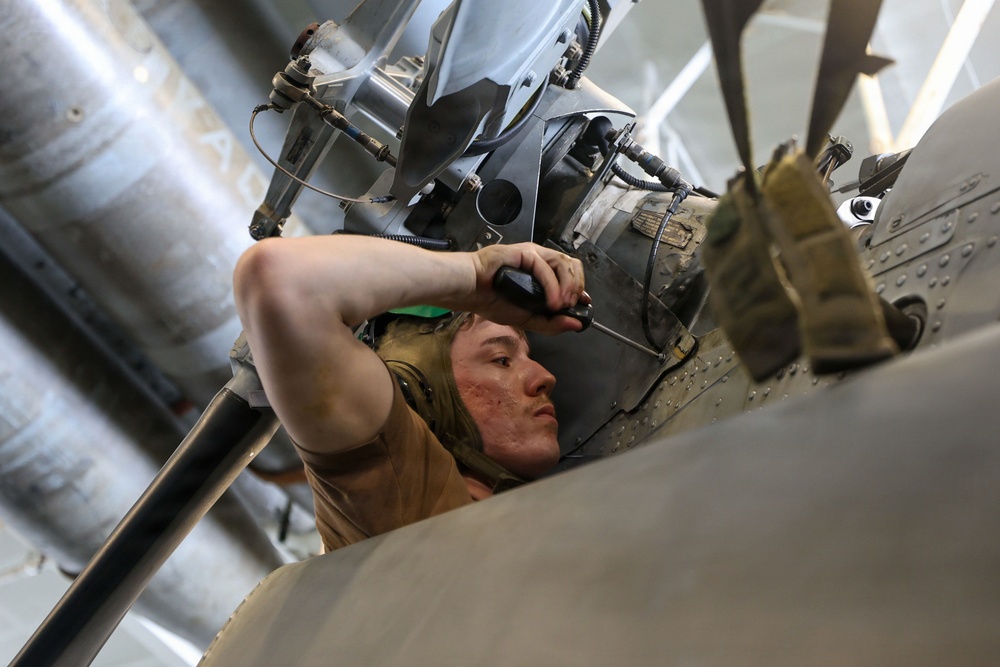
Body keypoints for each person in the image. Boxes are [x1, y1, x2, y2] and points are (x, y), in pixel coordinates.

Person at [233, 235, 587, 551]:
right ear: (416, 392)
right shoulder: (402, 495)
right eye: (501, 360)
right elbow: (280, 278)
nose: (544, 378)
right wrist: (475, 277)